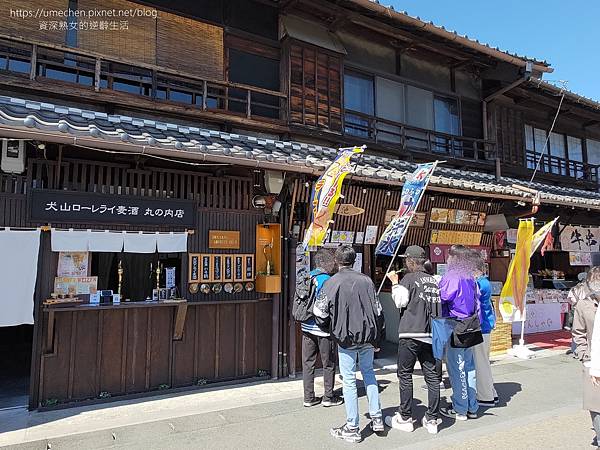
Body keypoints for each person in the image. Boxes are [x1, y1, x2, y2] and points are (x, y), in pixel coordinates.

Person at [313, 245, 385, 443]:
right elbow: (378, 311)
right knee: (369, 373)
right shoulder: (367, 281)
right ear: (355, 261)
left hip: (345, 337)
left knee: (349, 380)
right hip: (368, 336)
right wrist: (378, 338)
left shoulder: (331, 282)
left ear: (336, 261)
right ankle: (377, 417)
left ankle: (352, 427)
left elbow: (319, 312)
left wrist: (330, 328)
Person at [386, 246, 442, 434]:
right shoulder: (433, 281)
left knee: (405, 374)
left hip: (410, 333)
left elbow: (400, 301)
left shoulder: (409, 279)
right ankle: (432, 419)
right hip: (430, 334)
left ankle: (405, 417)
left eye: (405, 260)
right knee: (432, 377)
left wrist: (394, 282)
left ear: (410, 261)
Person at [439, 245, 479, 421]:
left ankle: (460, 408)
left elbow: (443, 296)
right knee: (469, 367)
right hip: (471, 324)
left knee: (457, 368)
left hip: (455, 325)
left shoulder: (452, 276)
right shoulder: (470, 276)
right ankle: (472, 406)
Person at [300, 248, 343, 408]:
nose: (334, 265)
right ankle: (328, 396)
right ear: (325, 263)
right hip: (323, 329)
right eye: (332, 262)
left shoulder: (306, 276)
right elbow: (330, 305)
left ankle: (308, 397)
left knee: (308, 363)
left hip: (306, 326)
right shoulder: (327, 280)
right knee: (329, 363)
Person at [573, 267, 600, 447]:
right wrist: (585, 355)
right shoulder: (583, 305)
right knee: (595, 404)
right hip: (593, 360)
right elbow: (578, 332)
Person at [470, 250, 498, 407]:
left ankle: (485, 396)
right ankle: (491, 392)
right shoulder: (485, 282)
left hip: (481, 328)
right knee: (484, 362)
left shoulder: (479, 284)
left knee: (480, 363)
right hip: (486, 327)